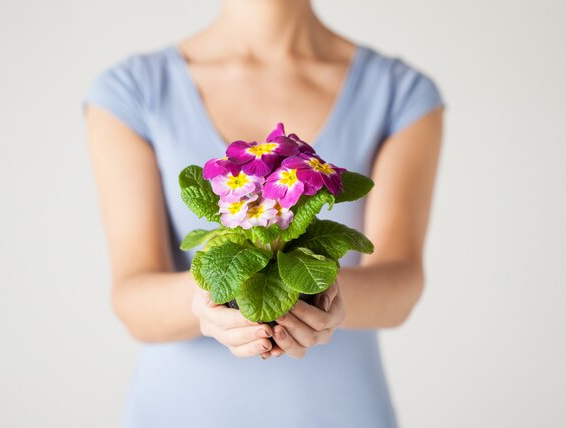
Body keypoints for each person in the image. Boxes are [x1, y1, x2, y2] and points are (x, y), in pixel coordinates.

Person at [82, 0, 444, 426]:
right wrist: (209, 298)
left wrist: (323, 295)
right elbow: (132, 298)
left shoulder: (400, 92)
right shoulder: (132, 90)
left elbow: (401, 281)